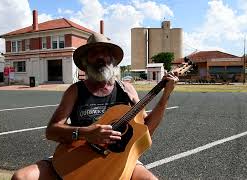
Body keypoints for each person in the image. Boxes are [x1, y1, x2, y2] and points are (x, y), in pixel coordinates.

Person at [12, 32, 179, 180]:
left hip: (118, 158)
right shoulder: (75, 91)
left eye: (105, 53)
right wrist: (86, 133)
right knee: (22, 177)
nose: (101, 57)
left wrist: (165, 95)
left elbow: (146, 129)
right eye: (94, 53)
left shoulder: (127, 90)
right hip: (77, 155)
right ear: (85, 63)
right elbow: (51, 131)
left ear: (112, 61)